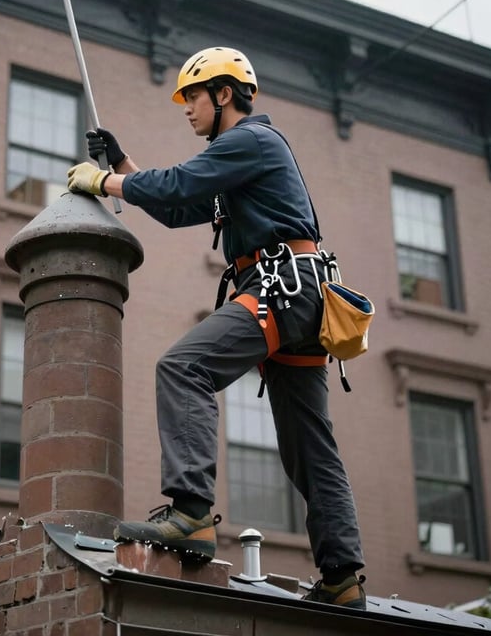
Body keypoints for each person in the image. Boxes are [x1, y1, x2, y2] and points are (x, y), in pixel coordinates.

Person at [66, 46, 366, 609]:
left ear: (224, 94)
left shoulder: (250, 140)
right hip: (301, 297)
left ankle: (191, 514)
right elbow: (180, 208)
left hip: (282, 289)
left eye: (193, 97)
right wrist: (125, 165)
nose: (186, 108)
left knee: (184, 366)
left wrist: (103, 182)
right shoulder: (243, 159)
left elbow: (178, 185)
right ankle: (343, 579)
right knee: (310, 445)